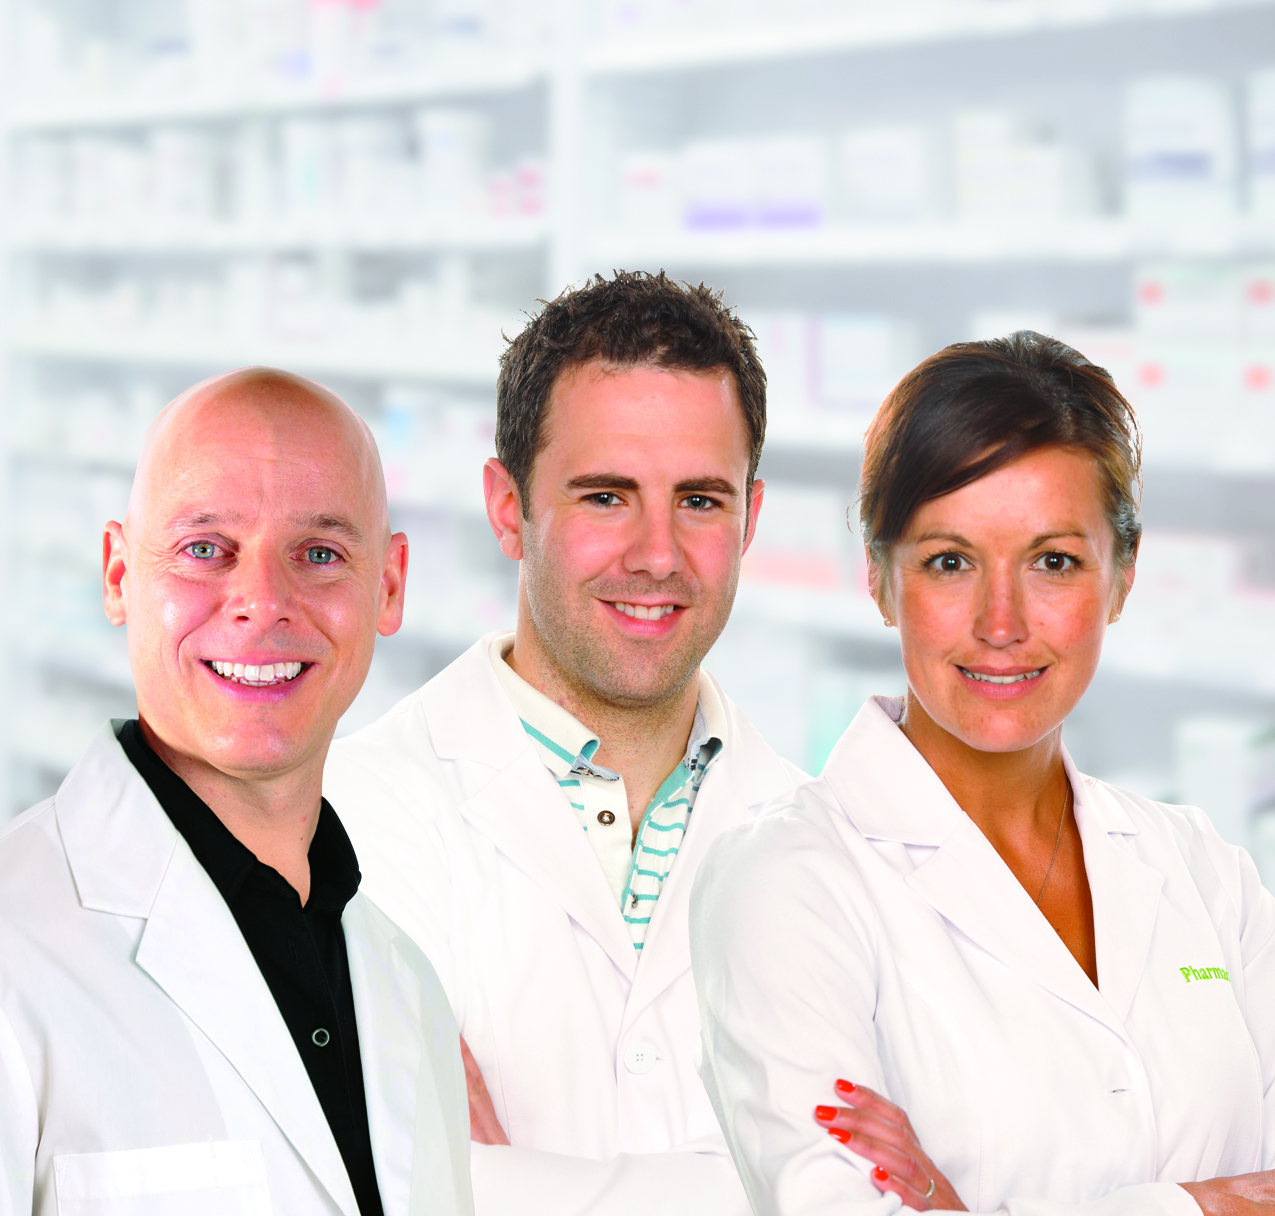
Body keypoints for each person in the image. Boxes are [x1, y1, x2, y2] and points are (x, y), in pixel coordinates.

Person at [689, 332, 1275, 1216]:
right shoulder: (784, 883)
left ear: (1120, 578)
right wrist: (1195, 1205)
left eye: (1053, 561)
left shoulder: (1201, 871)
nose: (1001, 623)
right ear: (880, 579)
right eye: (949, 562)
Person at [323, 271, 807, 1216]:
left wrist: (493, 1184)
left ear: (750, 518)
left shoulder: (826, 839)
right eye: (606, 497)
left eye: (700, 501)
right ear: (508, 508)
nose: (657, 555)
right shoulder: (347, 824)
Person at [0, 368, 473, 1216]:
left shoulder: (409, 991)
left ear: (389, 587)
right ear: (118, 574)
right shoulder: (17, 947)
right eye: (205, 548)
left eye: (319, 554)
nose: (261, 602)